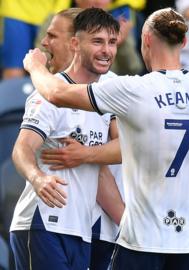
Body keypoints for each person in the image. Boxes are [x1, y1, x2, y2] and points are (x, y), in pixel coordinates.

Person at [23, 7, 189, 270]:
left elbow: (56, 93)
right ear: (184, 41)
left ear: (146, 40)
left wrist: (35, 66)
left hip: (142, 238)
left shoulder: (132, 89)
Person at [9, 8, 121, 270]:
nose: (106, 51)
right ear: (75, 43)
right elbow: (22, 148)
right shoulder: (48, 94)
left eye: (112, 43)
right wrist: (38, 178)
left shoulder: (102, 98)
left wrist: (126, 220)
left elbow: (106, 167)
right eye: (97, 42)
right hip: (42, 223)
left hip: (80, 230)